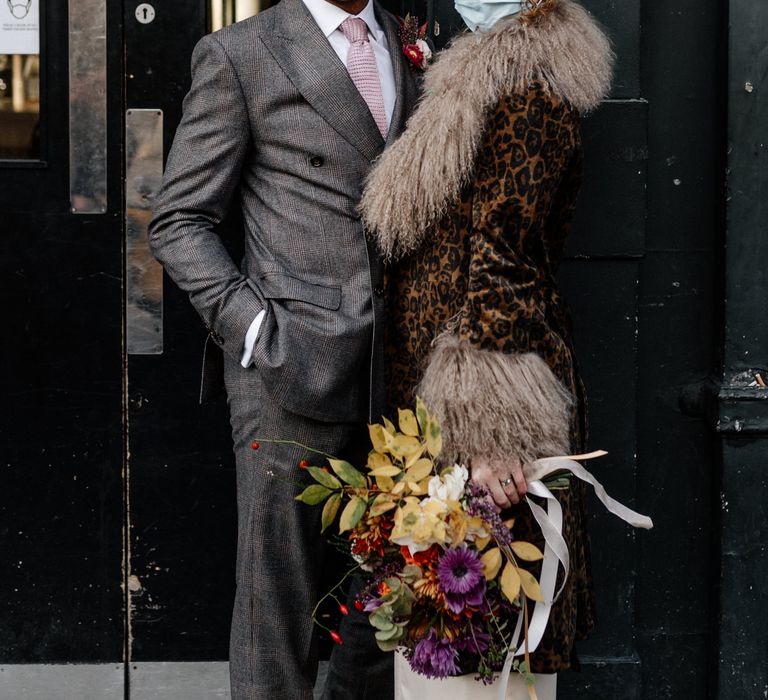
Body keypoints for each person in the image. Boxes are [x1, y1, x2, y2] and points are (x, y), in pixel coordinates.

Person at [148, 0, 418, 696]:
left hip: (403, 371)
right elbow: (178, 219)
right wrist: (252, 324)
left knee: (394, 595)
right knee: (279, 607)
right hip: (291, 366)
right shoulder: (241, 52)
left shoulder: (406, 39)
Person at [361, 0, 613, 696]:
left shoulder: (528, 79)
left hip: (482, 401)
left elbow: (506, 261)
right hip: (440, 403)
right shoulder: (478, 65)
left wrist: (490, 434)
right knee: (446, 652)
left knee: (481, 651)